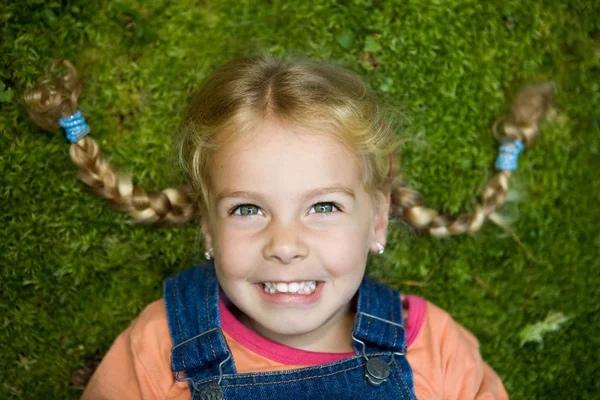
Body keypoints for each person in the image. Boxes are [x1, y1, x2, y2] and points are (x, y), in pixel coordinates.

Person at [25, 54, 553, 399]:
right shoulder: (161, 346)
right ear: (208, 230)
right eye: (247, 210)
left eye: (323, 207)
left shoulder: (432, 348)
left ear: (378, 221)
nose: (285, 245)